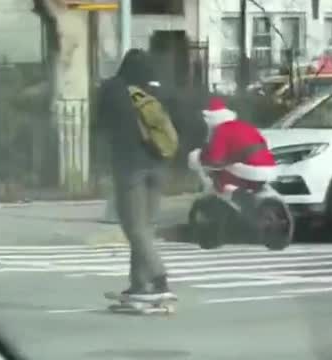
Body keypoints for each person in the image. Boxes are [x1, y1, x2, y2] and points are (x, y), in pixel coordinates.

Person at [96, 49, 176, 301]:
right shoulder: (152, 90)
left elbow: (100, 125)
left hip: (130, 165)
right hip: (159, 164)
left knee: (133, 227)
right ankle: (140, 284)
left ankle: (158, 277)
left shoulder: (113, 89)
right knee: (144, 228)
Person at [188, 97, 277, 210]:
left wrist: (199, 158)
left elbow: (215, 161)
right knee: (234, 170)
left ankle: (233, 201)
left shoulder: (221, 131)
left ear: (210, 119)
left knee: (221, 178)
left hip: (251, 170)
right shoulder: (245, 125)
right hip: (270, 167)